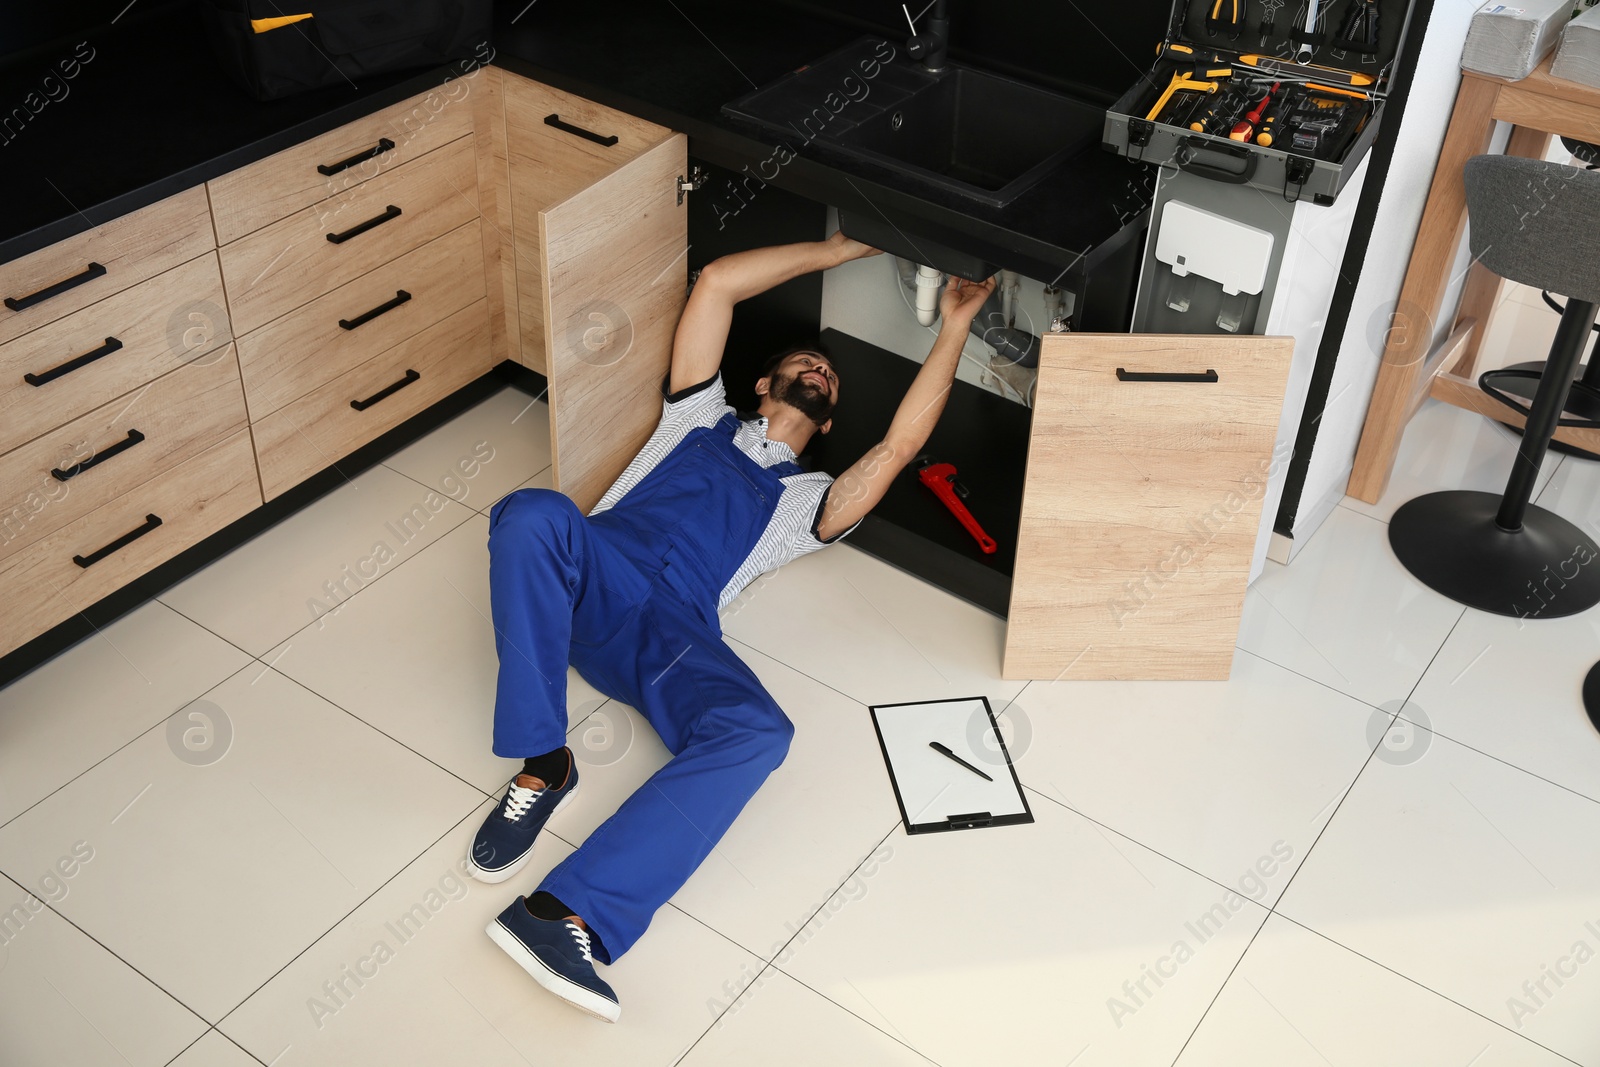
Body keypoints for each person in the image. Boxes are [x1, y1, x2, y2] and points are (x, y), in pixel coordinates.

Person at [471, 230, 996, 1022]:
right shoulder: (694, 416)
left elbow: (899, 446)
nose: (820, 369)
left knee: (760, 730)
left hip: (676, 633)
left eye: (831, 379)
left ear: (825, 425)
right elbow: (716, 283)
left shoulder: (805, 503)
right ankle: (546, 764)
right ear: (761, 383)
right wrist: (847, 247)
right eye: (806, 362)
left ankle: (563, 916)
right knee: (533, 514)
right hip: (597, 574)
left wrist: (954, 325)